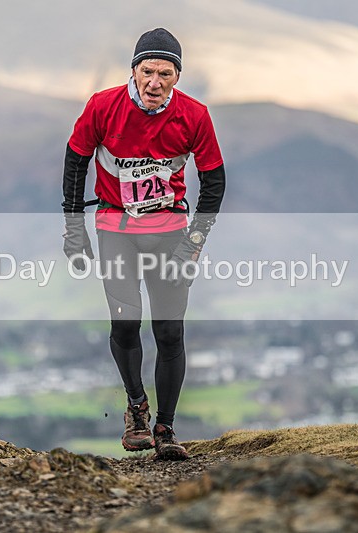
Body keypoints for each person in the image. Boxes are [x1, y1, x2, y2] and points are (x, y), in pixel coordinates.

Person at [62, 29, 226, 460]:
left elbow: (214, 181)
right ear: (133, 70)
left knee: (169, 332)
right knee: (125, 324)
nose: (154, 82)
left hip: (169, 230)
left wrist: (194, 240)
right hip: (115, 228)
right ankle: (137, 409)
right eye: (147, 71)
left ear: (177, 77)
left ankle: (166, 429)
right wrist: (74, 229)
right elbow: (76, 162)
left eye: (165, 74)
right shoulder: (103, 106)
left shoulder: (195, 115)